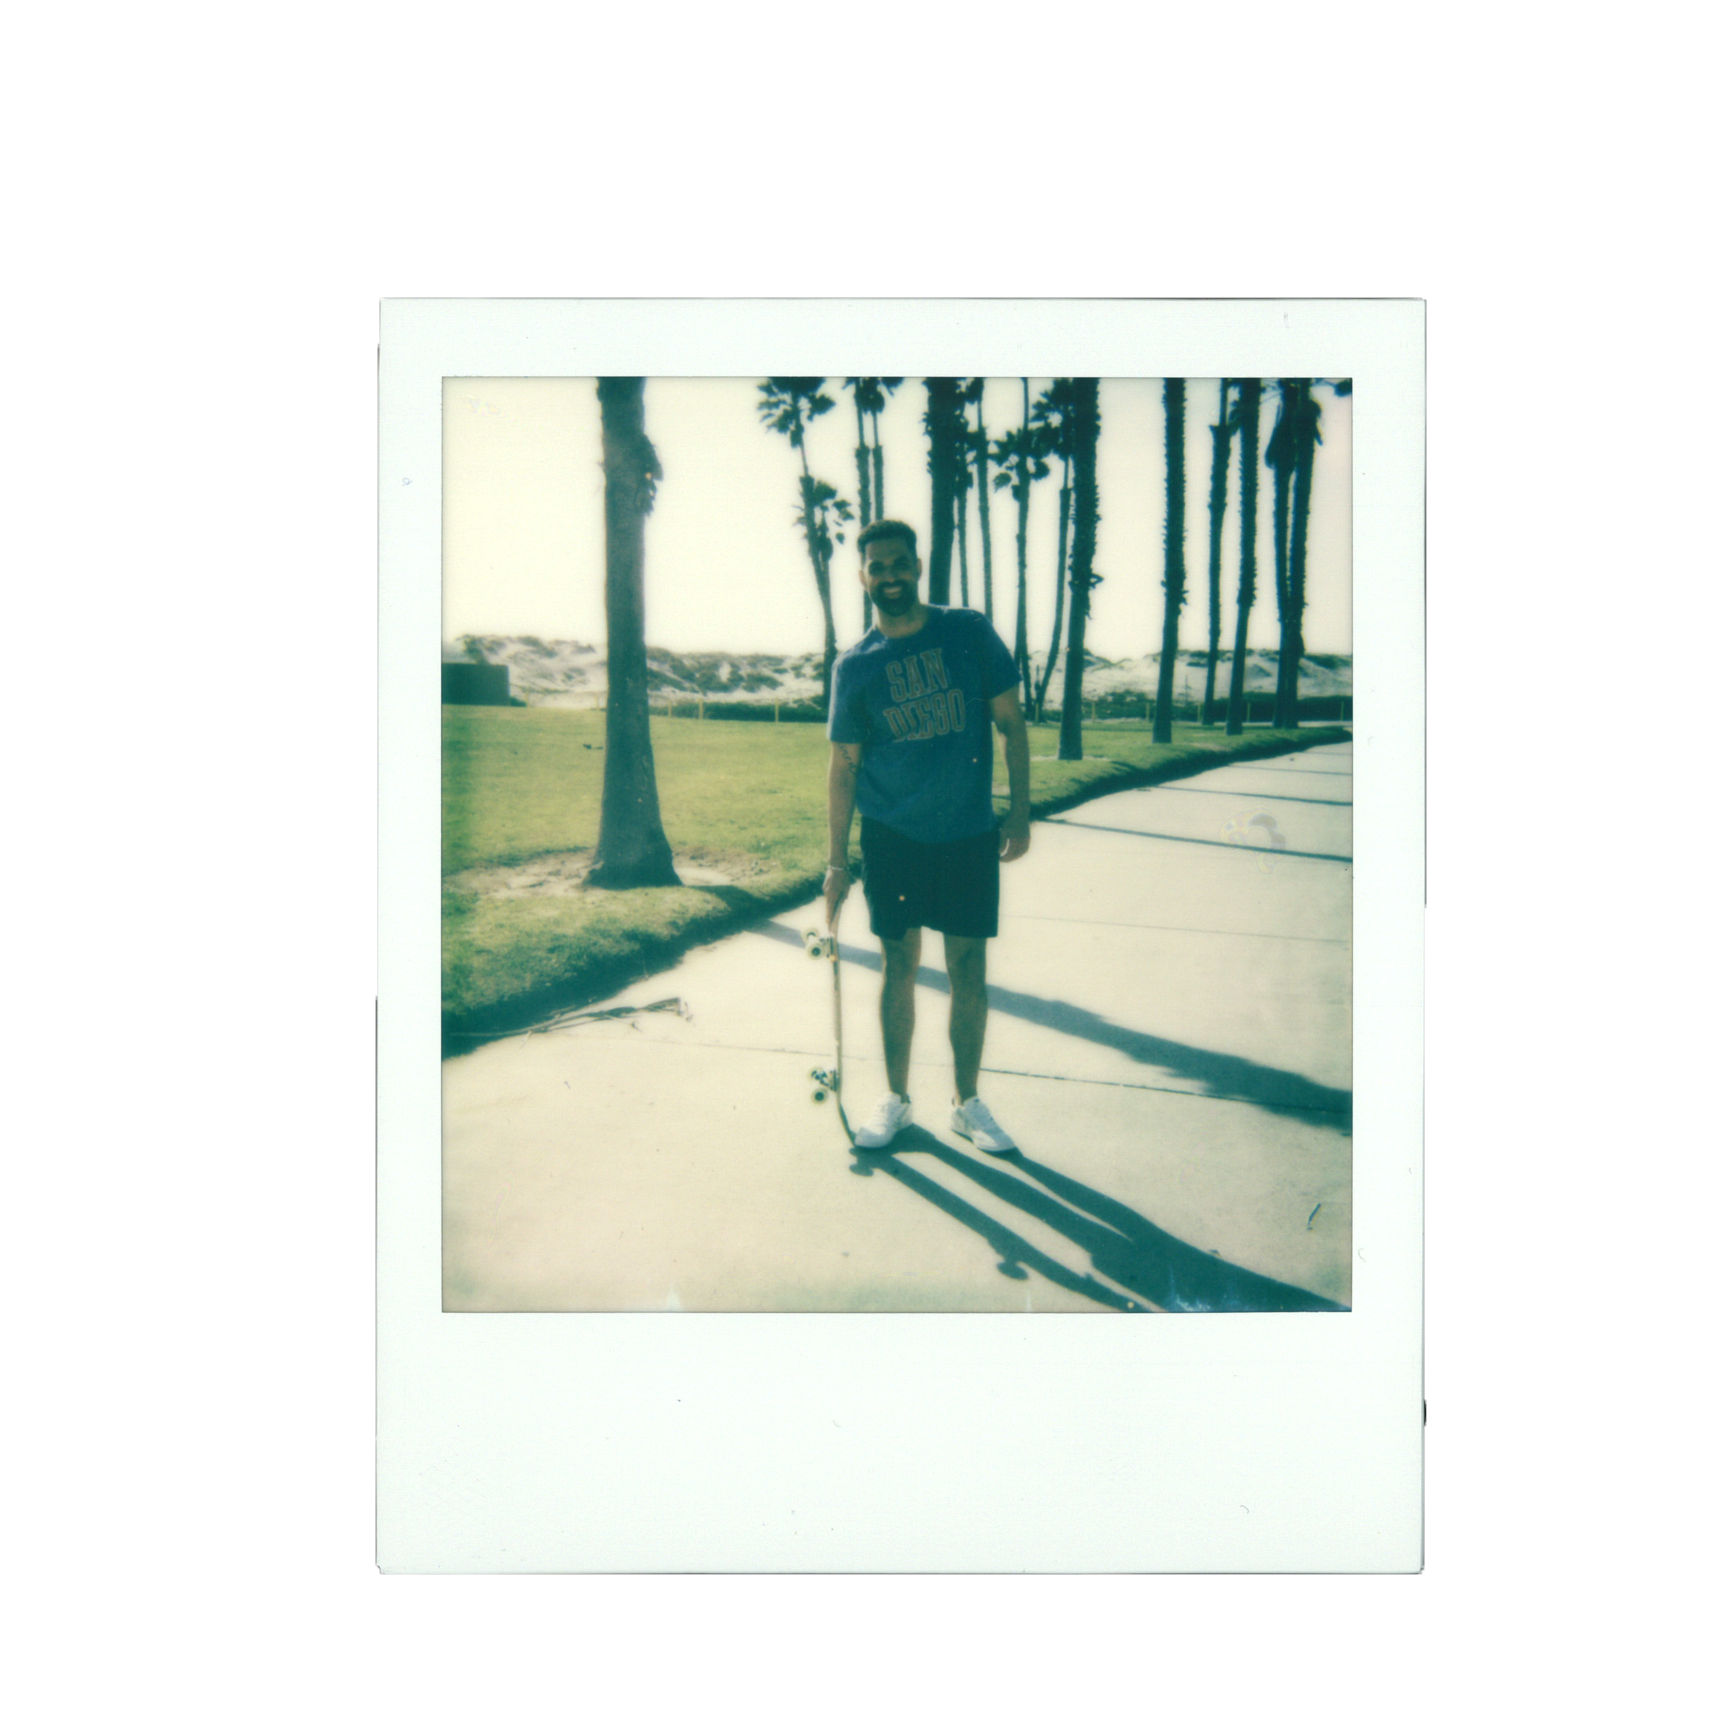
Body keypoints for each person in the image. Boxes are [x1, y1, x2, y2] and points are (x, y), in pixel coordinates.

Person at [824, 519, 1031, 1153]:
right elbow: (844, 765)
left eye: (898, 563)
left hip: (968, 833)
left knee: (968, 966)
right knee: (899, 966)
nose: (888, 575)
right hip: (893, 838)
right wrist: (837, 861)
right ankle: (896, 1099)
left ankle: (967, 1103)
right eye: (876, 566)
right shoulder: (855, 666)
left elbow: (1011, 724)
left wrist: (1019, 811)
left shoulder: (966, 631)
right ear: (863, 576)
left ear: (918, 565)